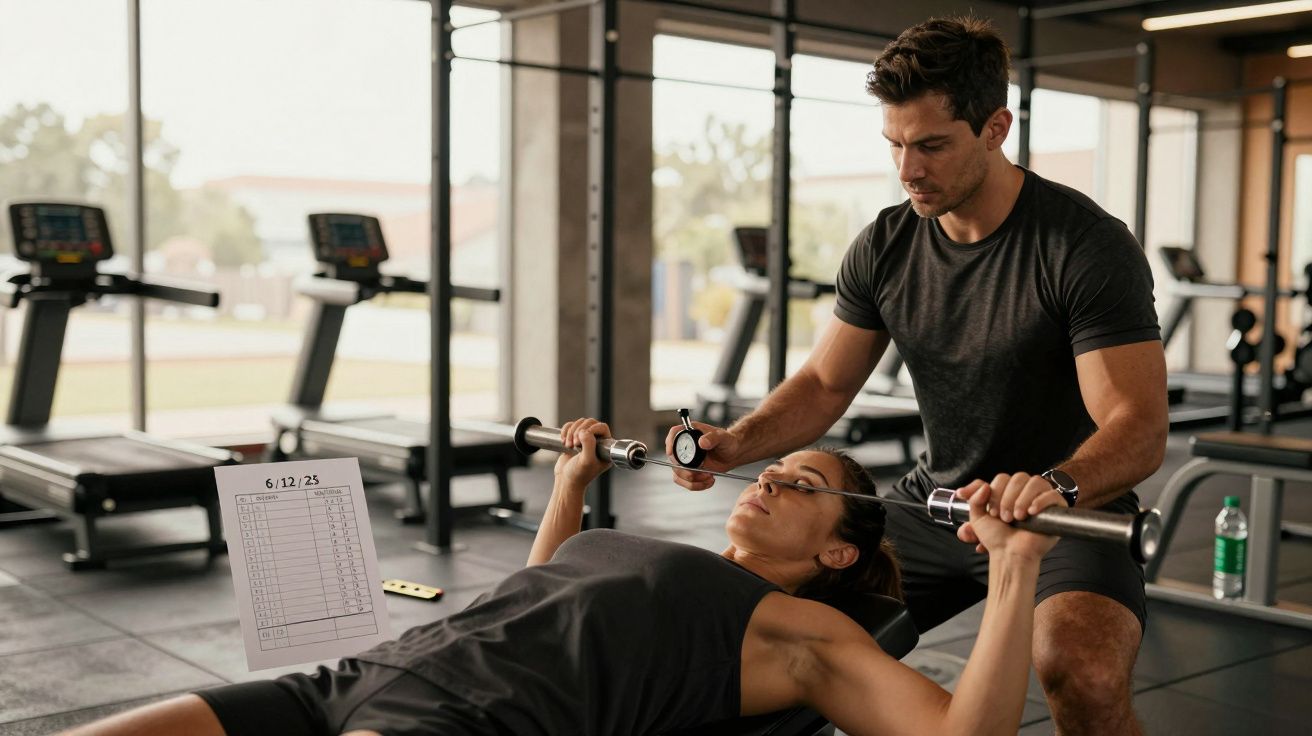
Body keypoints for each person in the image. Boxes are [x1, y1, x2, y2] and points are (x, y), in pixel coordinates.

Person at [667, 16, 1167, 736]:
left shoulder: (1083, 246)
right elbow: (825, 384)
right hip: (934, 506)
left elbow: (1138, 427)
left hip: (1064, 508)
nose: (909, 169)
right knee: (766, 637)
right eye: (895, 145)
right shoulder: (886, 244)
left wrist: (1052, 486)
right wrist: (736, 443)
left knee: (1081, 674)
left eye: (932, 145)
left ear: (996, 127)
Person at [66, 418, 1065, 736]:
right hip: (343, 679)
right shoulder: (643, 550)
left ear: (836, 552)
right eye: (776, 471)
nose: (769, 481)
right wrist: (572, 482)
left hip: (452, 724)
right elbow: (539, 597)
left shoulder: (793, 632)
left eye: (800, 483)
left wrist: (1016, 567)